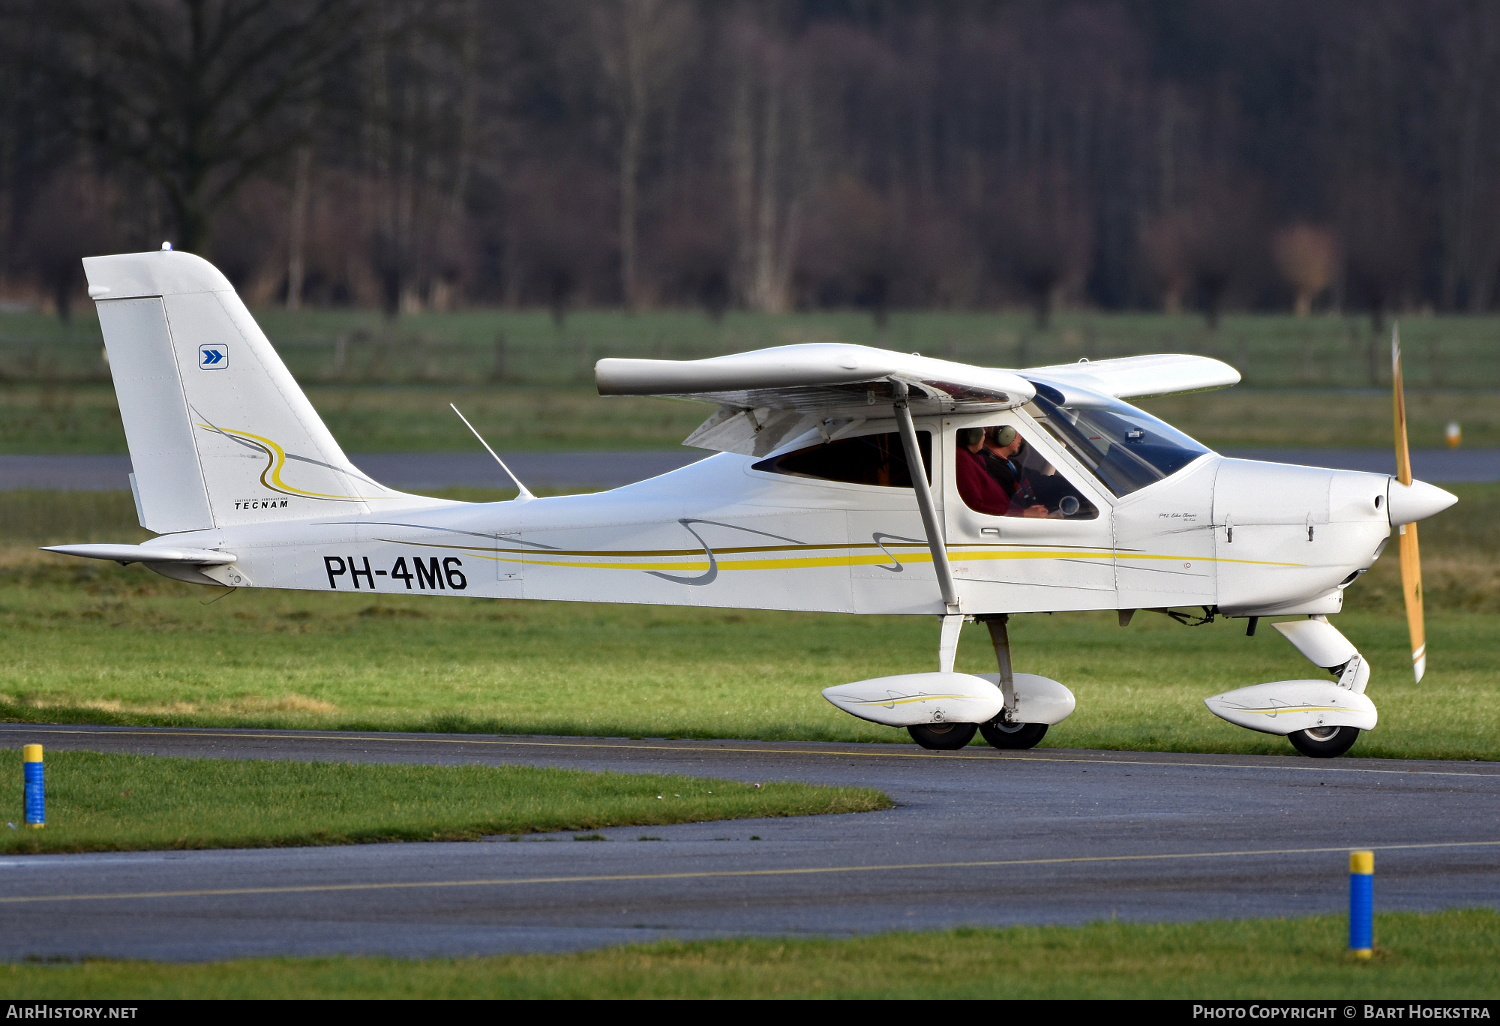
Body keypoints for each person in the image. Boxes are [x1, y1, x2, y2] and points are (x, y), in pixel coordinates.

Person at [980, 425, 1049, 517]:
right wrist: (1026, 514)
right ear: (1005, 434)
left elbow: (1038, 480)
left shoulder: (1010, 464)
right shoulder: (990, 468)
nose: (1021, 436)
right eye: (1017, 432)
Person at [954, 427, 1011, 515]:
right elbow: (973, 505)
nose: (984, 432)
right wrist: (1020, 513)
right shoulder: (961, 458)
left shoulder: (975, 457)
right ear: (973, 435)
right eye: (982, 431)